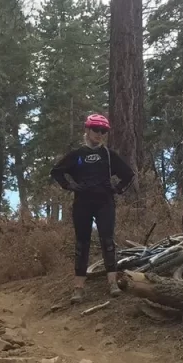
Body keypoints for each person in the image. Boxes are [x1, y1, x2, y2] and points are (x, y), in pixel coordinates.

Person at [51, 114, 135, 305]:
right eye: (96, 130)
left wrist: (117, 188)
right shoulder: (77, 155)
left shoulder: (108, 155)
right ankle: (78, 288)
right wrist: (70, 186)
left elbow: (128, 174)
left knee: (108, 241)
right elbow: (56, 171)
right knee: (82, 244)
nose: (99, 134)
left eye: (103, 131)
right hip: (82, 203)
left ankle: (112, 283)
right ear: (87, 130)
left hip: (105, 203)